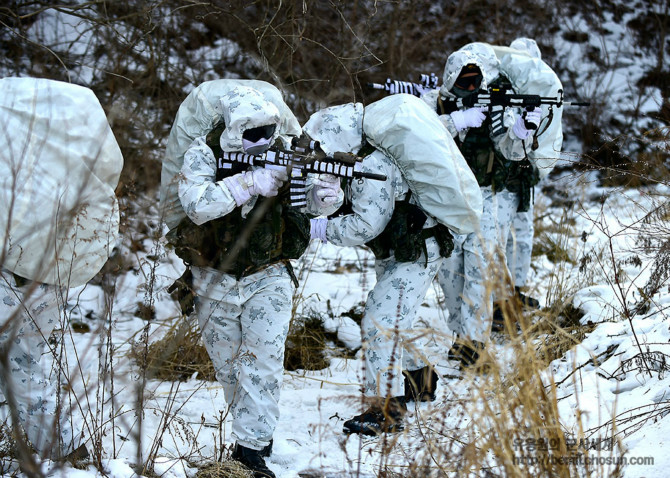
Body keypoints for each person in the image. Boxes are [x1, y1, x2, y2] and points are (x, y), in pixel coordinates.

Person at [170, 84, 342, 478]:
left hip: (269, 274)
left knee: (262, 364)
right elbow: (197, 206)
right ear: (233, 129)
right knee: (229, 368)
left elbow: (308, 203)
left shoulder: (288, 151)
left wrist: (327, 195)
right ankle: (253, 436)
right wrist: (249, 182)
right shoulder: (204, 151)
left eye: (268, 132)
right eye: (252, 134)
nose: (263, 142)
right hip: (212, 276)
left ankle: (251, 450)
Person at [305, 97, 481, 435]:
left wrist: (322, 230)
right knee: (397, 317)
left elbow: (365, 225)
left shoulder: (374, 165)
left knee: (379, 322)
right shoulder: (367, 157)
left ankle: (385, 410)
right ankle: (421, 379)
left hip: (417, 252)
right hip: (402, 250)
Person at [0, 77, 123, 466]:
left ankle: (65, 451)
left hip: (11, 270)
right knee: (30, 363)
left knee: (22, 365)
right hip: (52, 270)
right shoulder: (66, 158)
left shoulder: (13, 149)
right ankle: (69, 450)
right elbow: (108, 173)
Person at [423, 44, 541, 366]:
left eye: (477, 82)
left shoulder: (499, 101)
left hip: (486, 196)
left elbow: (513, 152)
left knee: (479, 269)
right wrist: (456, 121)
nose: (471, 89)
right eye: (465, 82)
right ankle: (460, 335)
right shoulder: (436, 101)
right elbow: (419, 137)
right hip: (447, 197)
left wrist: (521, 132)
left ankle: (474, 345)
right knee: (448, 271)